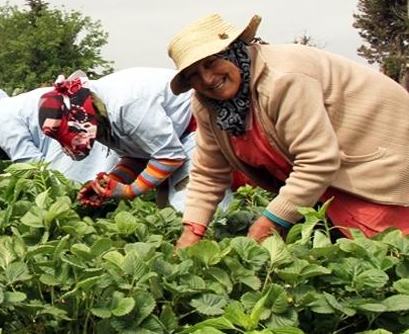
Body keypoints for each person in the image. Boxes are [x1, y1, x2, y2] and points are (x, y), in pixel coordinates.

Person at [167, 14, 409, 247]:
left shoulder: (282, 79)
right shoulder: (206, 103)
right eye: (194, 76)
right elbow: (209, 172)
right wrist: (192, 231)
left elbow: (317, 161)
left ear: (234, 51)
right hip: (327, 180)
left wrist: (271, 221)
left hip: (379, 158)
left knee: (387, 248)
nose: (208, 79)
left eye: (212, 63)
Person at [38, 68, 231, 212]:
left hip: (200, 125)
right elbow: (136, 156)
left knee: (193, 206)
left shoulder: (127, 105)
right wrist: (111, 182)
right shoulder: (98, 113)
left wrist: (129, 191)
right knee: (167, 212)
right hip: (174, 141)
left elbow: (170, 157)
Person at [0, 87, 119, 182]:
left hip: (72, 133)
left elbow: (31, 165)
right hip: (85, 122)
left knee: (67, 189)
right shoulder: (6, 108)